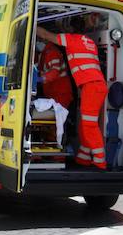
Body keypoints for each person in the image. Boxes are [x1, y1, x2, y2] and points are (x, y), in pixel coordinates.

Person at [37, 19, 110, 169]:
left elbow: (45, 34)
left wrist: (30, 24)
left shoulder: (71, 40)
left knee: (88, 125)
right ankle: (83, 158)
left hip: (91, 86)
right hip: (93, 86)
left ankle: (100, 161)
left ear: (70, 29)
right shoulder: (89, 41)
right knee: (86, 124)